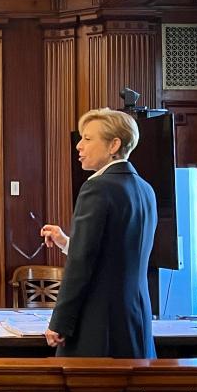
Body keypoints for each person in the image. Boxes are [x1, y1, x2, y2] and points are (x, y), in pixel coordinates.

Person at [40, 108, 157, 359]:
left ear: (114, 144)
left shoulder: (97, 187)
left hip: (98, 325)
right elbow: (113, 252)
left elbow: (82, 263)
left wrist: (60, 322)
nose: (79, 146)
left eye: (88, 139)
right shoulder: (146, 189)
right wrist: (65, 242)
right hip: (134, 320)